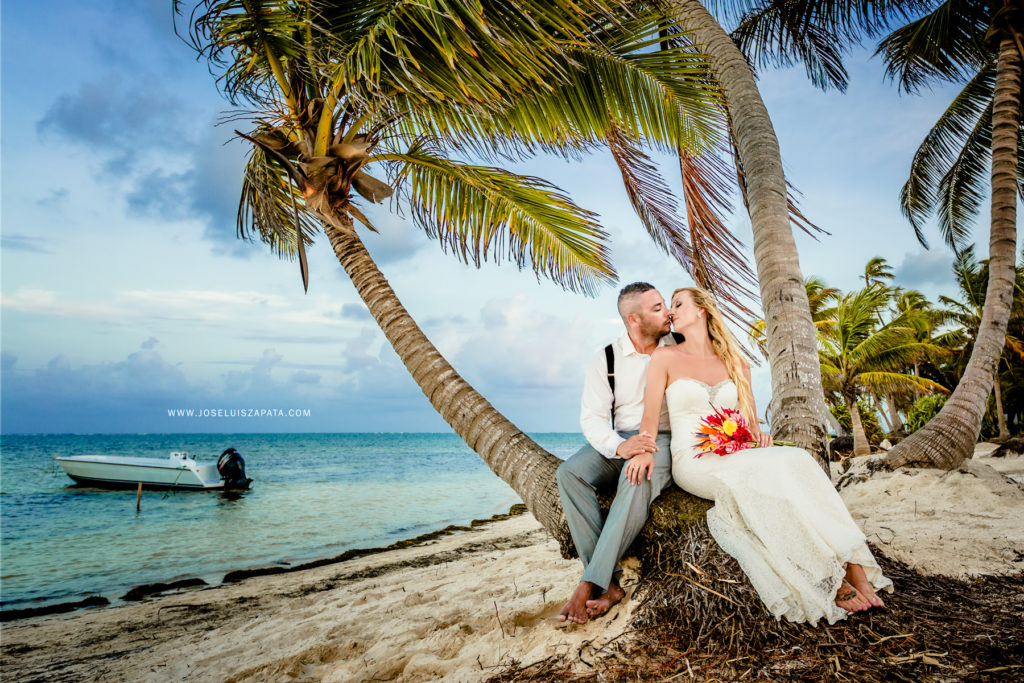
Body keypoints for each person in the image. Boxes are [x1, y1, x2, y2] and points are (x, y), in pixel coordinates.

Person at [626, 287, 892, 625]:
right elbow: (649, 420)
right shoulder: (664, 358)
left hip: (738, 451)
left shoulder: (737, 363)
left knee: (798, 461)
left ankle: (855, 567)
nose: (671, 312)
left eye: (678, 304)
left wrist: (757, 434)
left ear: (702, 311)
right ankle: (831, 576)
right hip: (693, 460)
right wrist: (642, 451)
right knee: (761, 477)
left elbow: (750, 425)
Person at [556, 282, 679, 624]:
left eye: (664, 304)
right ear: (633, 319)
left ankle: (588, 584)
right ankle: (609, 583)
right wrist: (620, 446)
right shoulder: (606, 358)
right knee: (569, 473)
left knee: (635, 475)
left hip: (666, 438)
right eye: (656, 308)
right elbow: (592, 419)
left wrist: (644, 447)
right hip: (620, 437)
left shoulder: (679, 346)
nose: (668, 311)